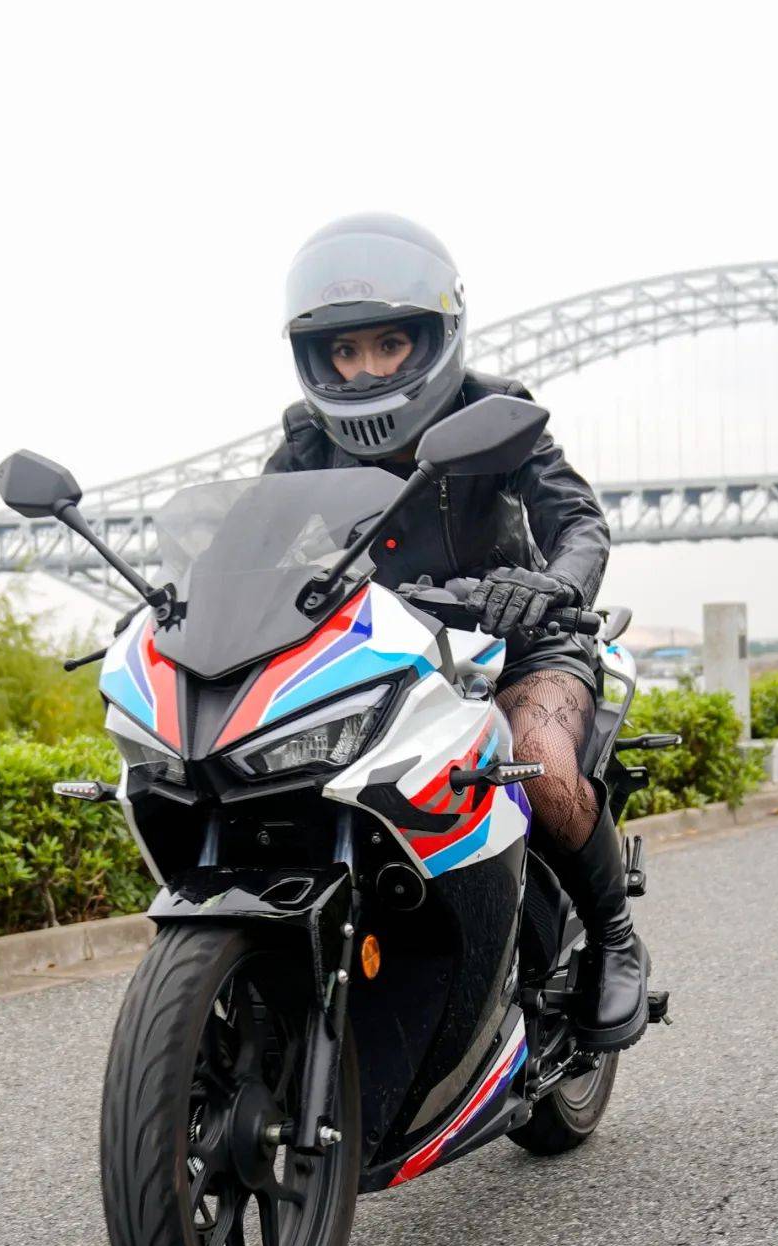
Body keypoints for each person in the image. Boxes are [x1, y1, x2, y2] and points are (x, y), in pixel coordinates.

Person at [265, 212, 647, 1051]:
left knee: (538, 759)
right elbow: (252, 545)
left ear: (435, 335)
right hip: (382, 655)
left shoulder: (498, 413)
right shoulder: (305, 443)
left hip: (519, 646)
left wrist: (551, 587)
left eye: (389, 344)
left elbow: (579, 523)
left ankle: (614, 936)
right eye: (345, 350)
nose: (367, 368)